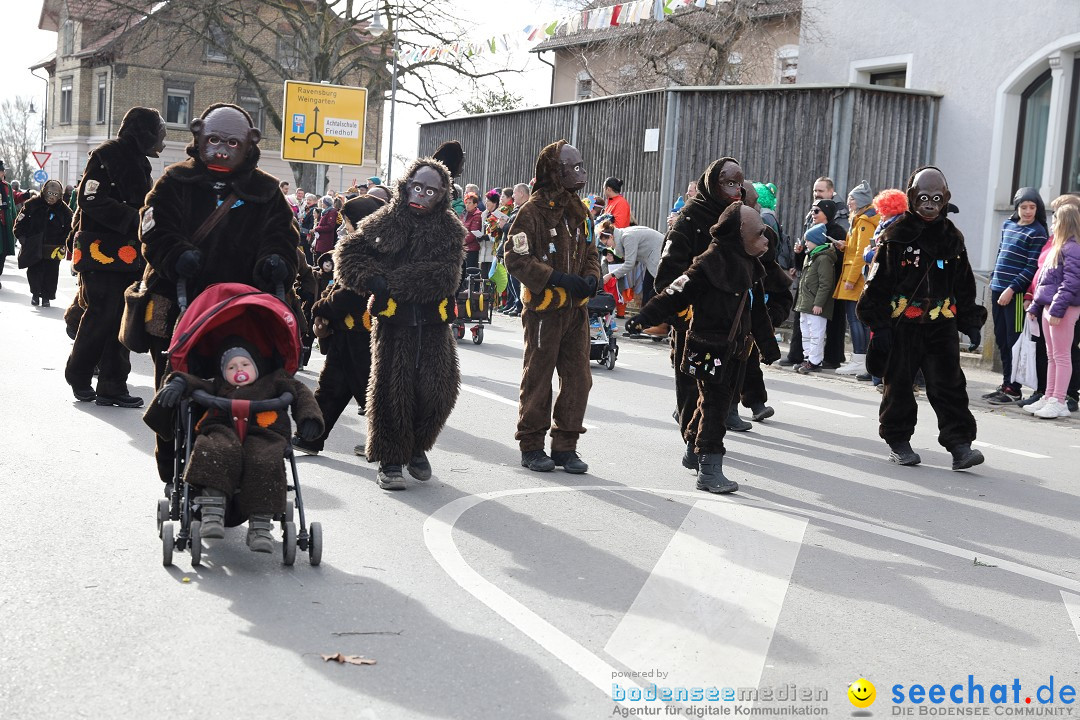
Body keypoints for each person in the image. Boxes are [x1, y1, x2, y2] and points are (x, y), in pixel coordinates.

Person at [140, 102, 299, 482]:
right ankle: (172, 464)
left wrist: (275, 260)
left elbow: (283, 237)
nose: (222, 149)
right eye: (213, 140)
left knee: (244, 387)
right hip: (182, 299)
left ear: (249, 143)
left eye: (232, 142)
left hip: (245, 307)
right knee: (174, 382)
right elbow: (152, 229)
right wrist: (176, 254)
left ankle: (243, 467)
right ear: (198, 136)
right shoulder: (174, 181)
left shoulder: (265, 191)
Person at [333, 157, 463, 490]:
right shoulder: (384, 220)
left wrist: (390, 281)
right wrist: (369, 278)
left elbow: (446, 276)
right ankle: (390, 460)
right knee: (393, 389)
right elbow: (347, 254)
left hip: (434, 321)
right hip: (394, 321)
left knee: (439, 391)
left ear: (441, 195)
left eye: (430, 191)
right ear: (405, 187)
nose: (421, 195)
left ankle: (417, 447)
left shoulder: (450, 229)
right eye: (417, 187)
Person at [626, 203, 775, 493]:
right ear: (738, 233)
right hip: (706, 349)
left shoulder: (751, 264)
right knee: (715, 407)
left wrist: (768, 348)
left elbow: (757, 314)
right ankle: (709, 469)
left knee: (708, 404)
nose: (766, 240)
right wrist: (642, 319)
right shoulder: (708, 264)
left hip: (735, 351)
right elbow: (674, 294)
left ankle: (692, 451)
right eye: (759, 234)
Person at [856, 166, 986, 470]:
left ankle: (959, 445)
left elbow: (964, 284)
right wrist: (880, 325)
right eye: (924, 197)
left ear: (946, 199)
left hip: (941, 325)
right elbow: (877, 284)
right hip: (904, 325)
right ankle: (898, 441)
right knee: (898, 385)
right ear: (912, 198)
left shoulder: (952, 237)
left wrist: (970, 322)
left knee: (949, 385)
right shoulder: (896, 235)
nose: (930, 203)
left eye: (937, 198)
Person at [148, 338, 323, 551]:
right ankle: (212, 512)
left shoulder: (275, 380)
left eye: (245, 364)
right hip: (223, 428)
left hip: (265, 434)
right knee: (214, 449)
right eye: (231, 367)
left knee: (264, 459)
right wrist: (178, 382)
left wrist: (310, 418)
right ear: (223, 372)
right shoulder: (219, 384)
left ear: (257, 365)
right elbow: (194, 381)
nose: (239, 369)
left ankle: (260, 527)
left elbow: (302, 393)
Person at [504, 140, 600, 474]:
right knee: (539, 378)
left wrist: (590, 277)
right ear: (554, 172)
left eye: (581, 165)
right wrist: (556, 278)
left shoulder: (581, 211)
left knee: (579, 379)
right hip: (545, 311)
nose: (580, 173)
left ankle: (565, 446)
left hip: (577, 312)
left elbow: (591, 250)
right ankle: (531, 445)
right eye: (572, 167)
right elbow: (515, 258)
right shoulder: (531, 212)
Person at [66, 107, 166, 407]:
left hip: (130, 255)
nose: (163, 136)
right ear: (145, 131)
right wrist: (135, 220)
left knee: (123, 318)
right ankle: (79, 375)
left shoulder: (139, 160)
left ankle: (113, 384)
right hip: (101, 254)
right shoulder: (106, 154)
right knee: (101, 315)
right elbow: (90, 198)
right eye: (159, 130)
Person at [655, 157, 745, 467]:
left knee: (721, 388)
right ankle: (695, 446)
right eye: (728, 183)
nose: (736, 190)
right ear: (712, 184)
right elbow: (667, 276)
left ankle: (701, 444)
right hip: (696, 323)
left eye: (739, 183)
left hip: (729, 324)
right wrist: (687, 311)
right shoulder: (690, 218)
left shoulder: (741, 217)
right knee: (694, 385)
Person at [293, 195, 385, 455]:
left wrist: (321, 307)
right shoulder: (370, 247)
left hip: (360, 334)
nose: (344, 227)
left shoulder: (366, 250)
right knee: (332, 387)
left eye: (347, 222)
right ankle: (309, 438)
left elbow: (351, 294)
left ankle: (396, 449)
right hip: (348, 334)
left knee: (371, 396)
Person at [983, 187, 1048, 404]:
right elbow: (1001, 252)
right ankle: (1005, 383)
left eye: (1032, 207)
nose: (1028, 211)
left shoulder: (1037, 232)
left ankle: (1014, 388)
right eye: (1023, 207)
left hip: (1017, 295)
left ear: (1037, 209)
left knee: (1015, 341)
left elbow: (1032, 268)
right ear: (1017, 207)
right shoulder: (1008, 225)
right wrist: (994, 279)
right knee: (1001, 339)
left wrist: (1011, 289)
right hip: (997, 289)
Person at [1024, 202, 1080, 419]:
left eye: (1056, 219)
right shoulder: (1059, 246)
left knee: (1061, 355)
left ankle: (1058, 399)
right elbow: (1045, 282)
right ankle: (1049, 396)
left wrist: (1056, 310)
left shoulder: (1073, 248)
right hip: (1051, 307)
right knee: (1052, 355)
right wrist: (1038, 305)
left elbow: (1071, 282)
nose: (1052, 223)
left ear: (1065, 222)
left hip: (1062, 309)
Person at [833, 180, 879, 376]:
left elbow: (862, 252)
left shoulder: (863, 222)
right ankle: (858, 358)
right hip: (855, 275)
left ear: (860, 201)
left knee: (855, 319)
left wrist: (851, 279)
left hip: (856, 277)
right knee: (855, 319)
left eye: (852, 198)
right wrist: (845, 245)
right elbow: (857, 248)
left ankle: (860, 358)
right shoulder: (861, 218)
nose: (849, 202)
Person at [14, 179, 73, 307]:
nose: (52, 198)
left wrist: (64, 241)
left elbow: (70, 229)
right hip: (34, 244)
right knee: (34, 270)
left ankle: (46, 296)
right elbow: (20, 222)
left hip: (54, 247)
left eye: (55, 195)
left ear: (60, 196)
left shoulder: (65, 210)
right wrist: (22, 237)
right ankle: (35, 294)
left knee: (51, 272)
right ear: (44, 192)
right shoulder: (32, 204)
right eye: (50, 194)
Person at [794, 224, 837, 374]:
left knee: (816, 333)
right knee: (805, 332)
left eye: (808, 240)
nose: (805, 243)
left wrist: (819, 303)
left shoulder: (824, 258)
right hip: (805, 303)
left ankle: (814, 360)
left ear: (816, 241)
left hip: (815, 305)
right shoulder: (810, 255)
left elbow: (826, 284)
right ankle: (807, 358)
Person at [600, 220, 663, 312]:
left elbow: (630, 264)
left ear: (611, 237)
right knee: (647, 289)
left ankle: (648, 319)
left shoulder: (627, 237)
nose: (608, 247)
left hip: (658, 258)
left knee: (652, 291)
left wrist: (611, 275)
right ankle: (646, 319)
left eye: (606, 244)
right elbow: (633, 262)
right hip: (653, 258)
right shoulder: (625, 234)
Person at [496, 182, 530, 316]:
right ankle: (515, 303)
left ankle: (519, 305)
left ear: (521, 193)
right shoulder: (518, 208)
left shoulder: (526, 209)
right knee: (511, 280)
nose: (513, 196)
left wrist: (505, 226)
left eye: (514, 193)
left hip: (519, 250)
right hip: (511, 249)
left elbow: (521, 229)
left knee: (516, 279)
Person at [0, 161, 16, 290]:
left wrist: (15, 222)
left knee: (3, 253)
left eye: (2, 171)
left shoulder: (7, 186)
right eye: (1, 171)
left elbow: (12, 209)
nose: (2, 173)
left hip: (5, 225)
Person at [461, 192, 483, 278]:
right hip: (464, 248)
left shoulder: (477, 215)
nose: (467, 205)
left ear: (475, 204)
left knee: (471, 271)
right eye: (466, 202)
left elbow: (473, 233)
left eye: (470, 203)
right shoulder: (464, 214)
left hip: (472, 248)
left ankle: (474, 290)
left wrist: (461, 242)